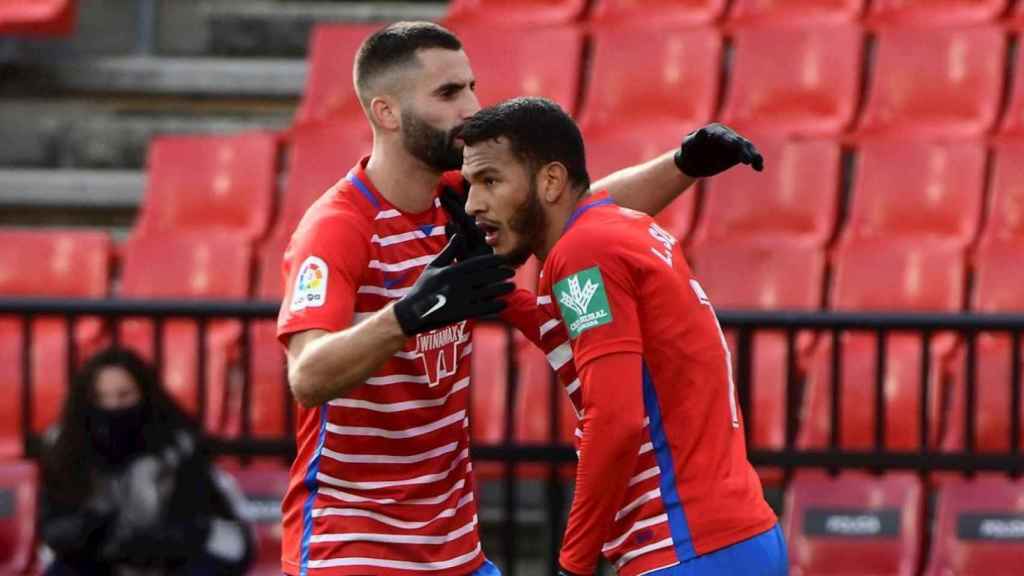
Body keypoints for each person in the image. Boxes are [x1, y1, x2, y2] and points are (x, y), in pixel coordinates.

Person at [277, 20, 763, 576]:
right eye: (447, 93)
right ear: (386, 113)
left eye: (471, 86)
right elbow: (307, 377)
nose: (471, 106)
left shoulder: (457, 203)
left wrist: (684, 165)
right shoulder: (339, 228)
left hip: (455, 548)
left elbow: (571, 207)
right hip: (357, 546)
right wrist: (409, 314)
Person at [457, 97, 786, 576]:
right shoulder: (621, 230)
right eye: (469, 185)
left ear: (550, 181)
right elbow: (581, 342)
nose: (472, 204)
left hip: (685, 547)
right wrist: (500, 297)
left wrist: (574, 561)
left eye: (489, 181)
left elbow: (615, 419)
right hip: (738, 537)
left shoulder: (584, 252)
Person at [39, 347, 253, 576]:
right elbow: (53, 529)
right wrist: (91, 529)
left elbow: (210, 531)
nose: (112, 406)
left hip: (174, 562)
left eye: (124, 395)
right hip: (97, 561)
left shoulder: (181, 445)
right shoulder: (65, 448)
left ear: (144, 394)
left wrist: (152, 542)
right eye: (100, 397)